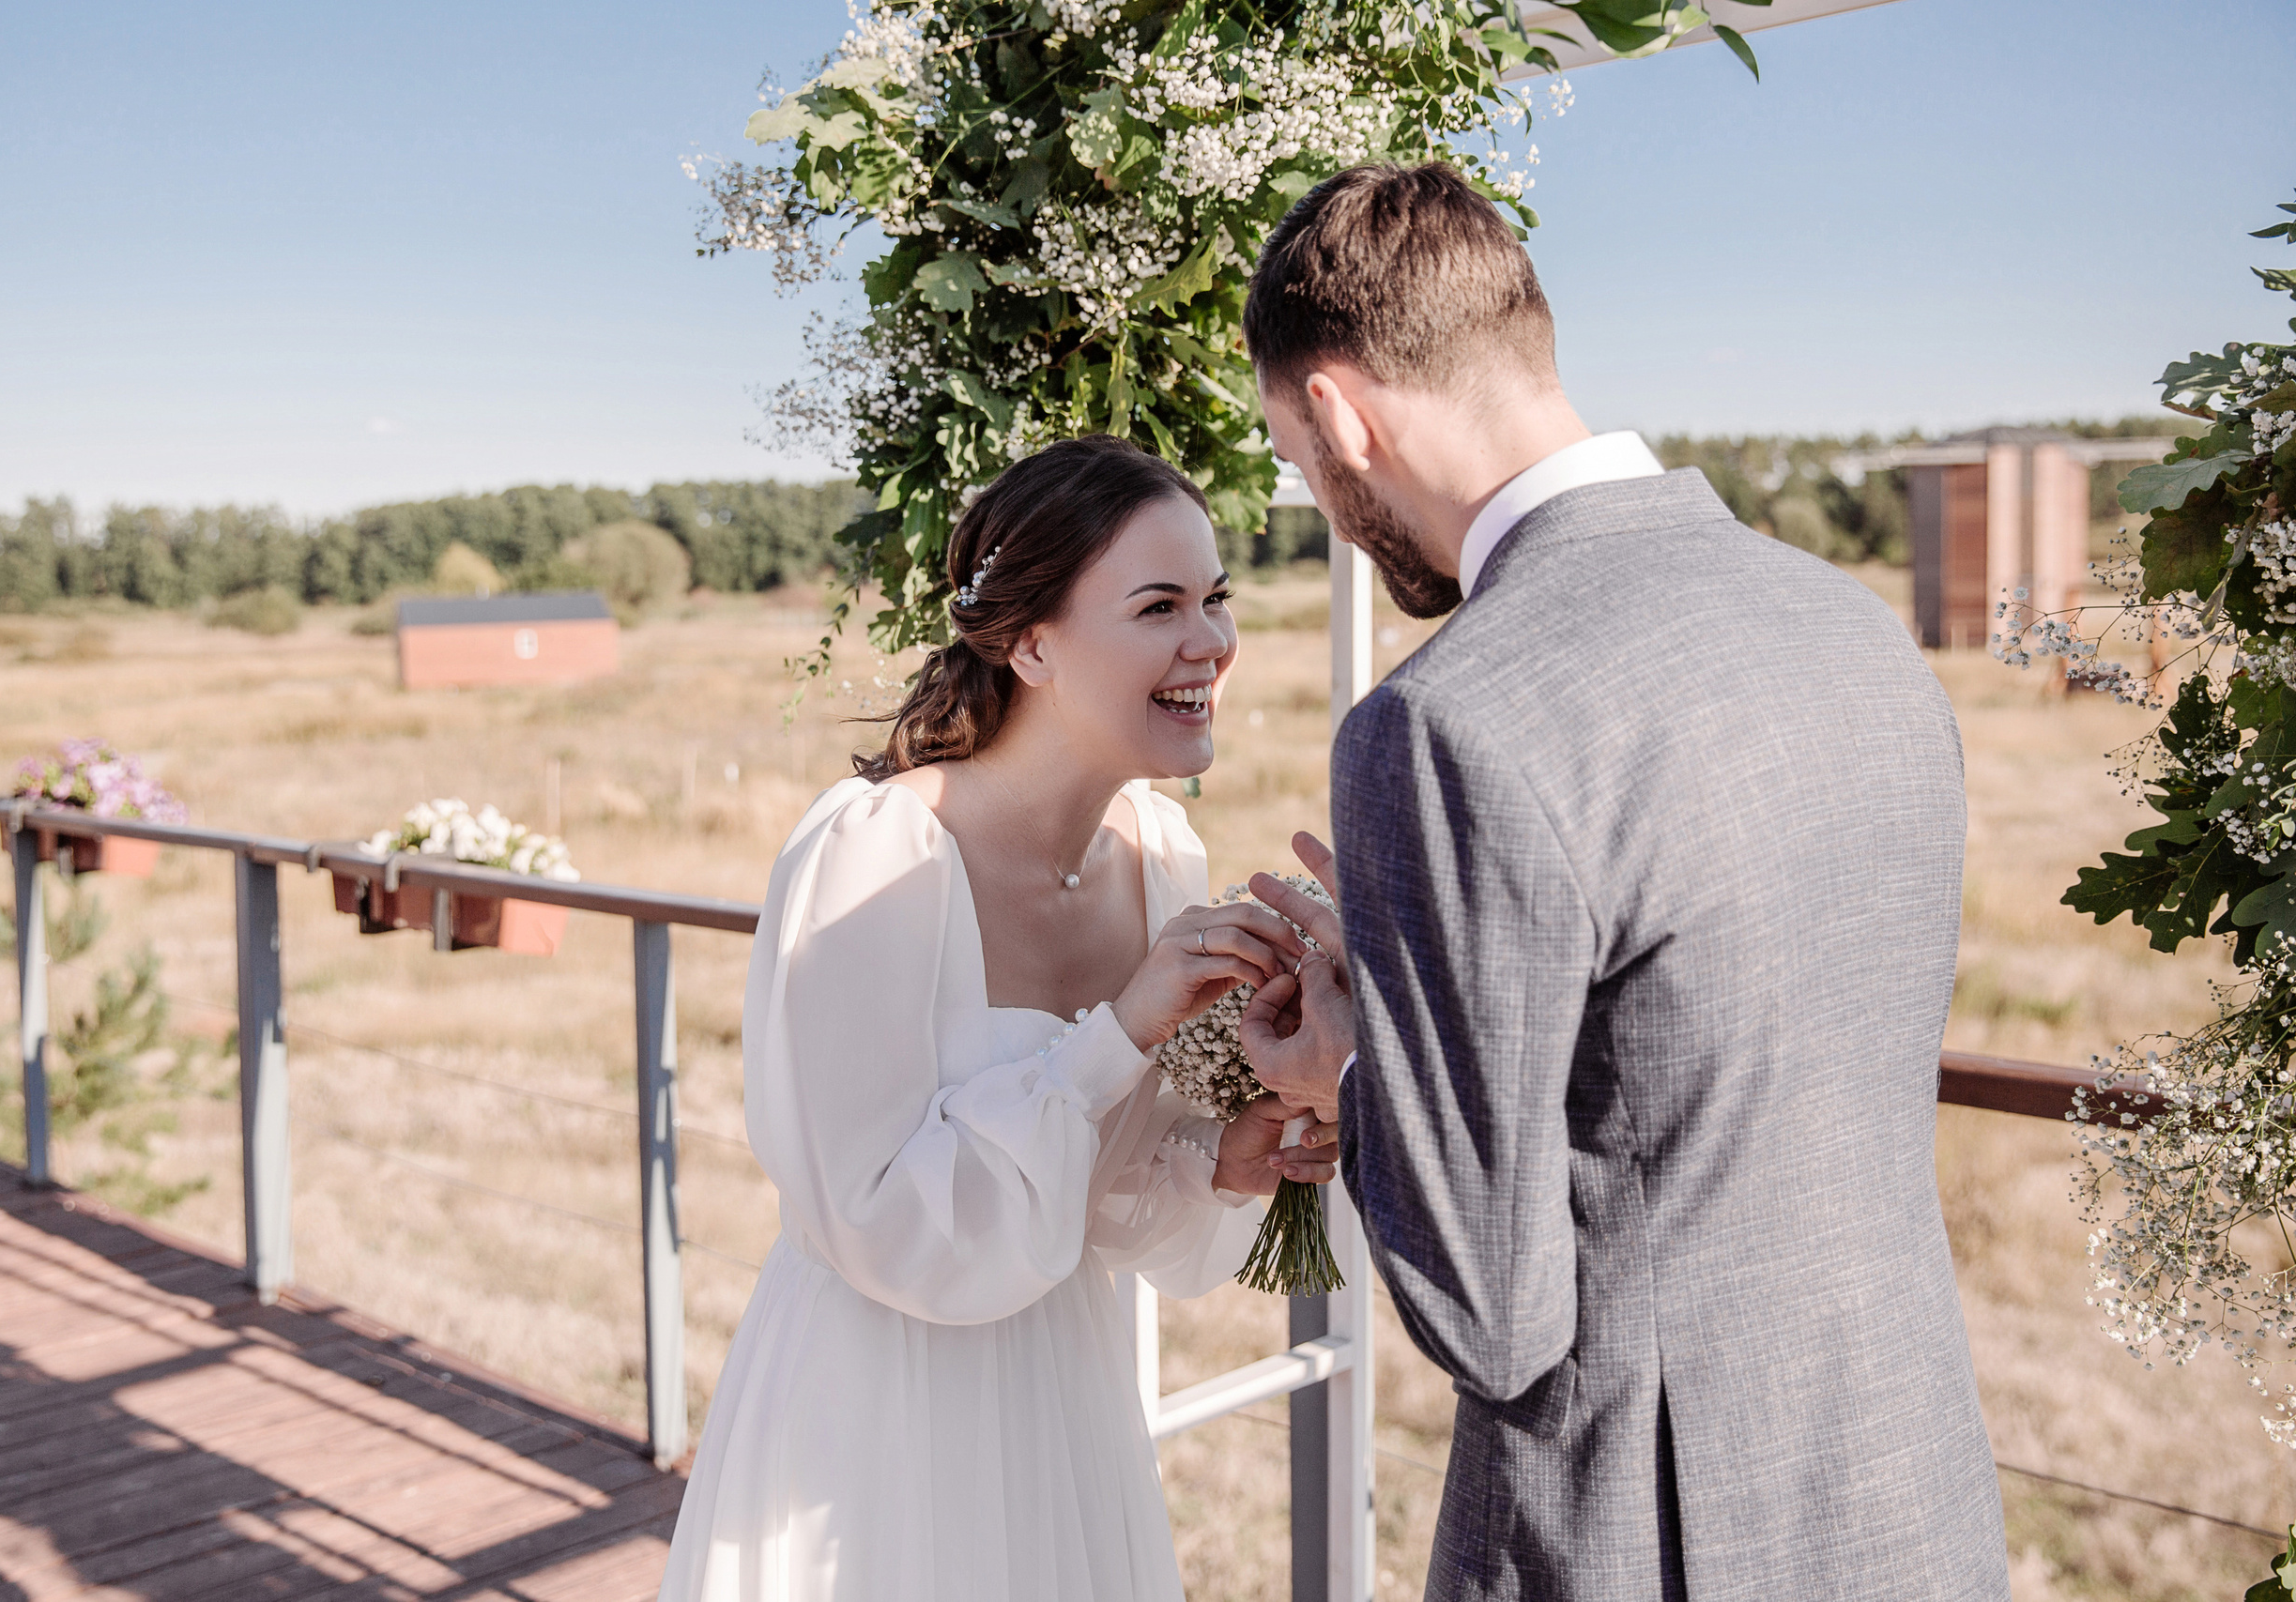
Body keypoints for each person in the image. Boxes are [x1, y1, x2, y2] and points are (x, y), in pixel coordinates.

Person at [1232, 163, 2010, 1600]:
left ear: (1340, 411)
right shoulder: (1852, 628)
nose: (1325, 504)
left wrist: (1361, 1063)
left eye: (1296, 457)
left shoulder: (1443, 720)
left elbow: (1493, 1311)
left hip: (1643, 1535)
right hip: (1912, 1493)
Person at [657, 434, 1338, 1602]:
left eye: (1217, 599)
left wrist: (1232, 1158)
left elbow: (1112, 1221)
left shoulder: (1161, 855)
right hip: (878, 1413)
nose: (1212, 642)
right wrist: (1117, 1032)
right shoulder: (877, 851)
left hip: (1065, 1400)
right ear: (1029, 642)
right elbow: (876, 1221)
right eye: (1160, 604)